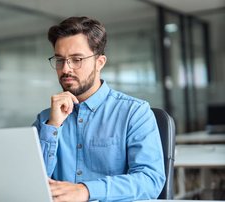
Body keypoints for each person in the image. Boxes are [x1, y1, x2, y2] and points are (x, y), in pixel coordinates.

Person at [33, 16, 165, 202]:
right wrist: (52, 126)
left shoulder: (135, 112)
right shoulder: (45, 119)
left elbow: (150, 181)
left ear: (100, 62)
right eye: (60, 60)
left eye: (76, 59)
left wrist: (86, 190)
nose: (65, 69)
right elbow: (33, 182)